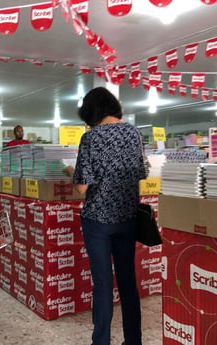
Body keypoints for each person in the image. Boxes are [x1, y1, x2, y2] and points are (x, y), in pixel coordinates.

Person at [65, 87, 146, 345]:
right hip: (127, 217)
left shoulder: (91, 138)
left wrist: (70, 172)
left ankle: (101, 342)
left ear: (92, 113)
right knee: (127, 283)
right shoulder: (134, 133)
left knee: (102, 284)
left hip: (98, 220)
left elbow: (81, 188)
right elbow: (141, 173)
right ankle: (133, 341)